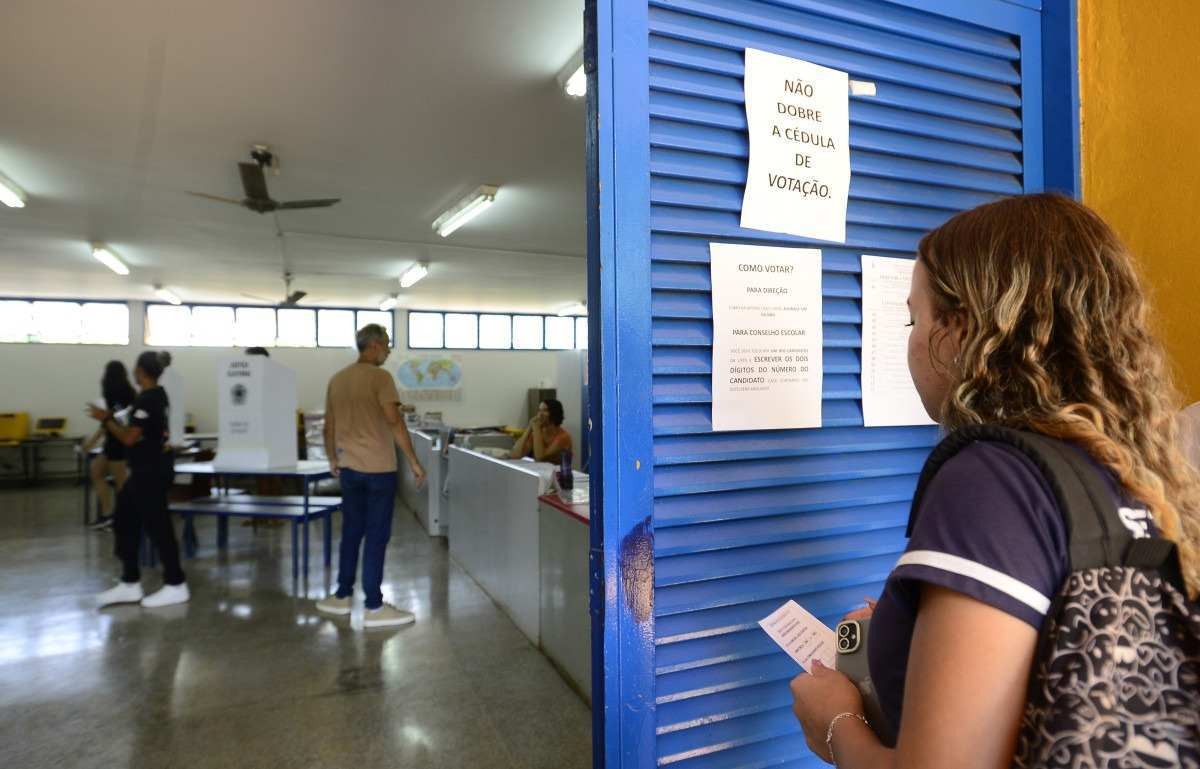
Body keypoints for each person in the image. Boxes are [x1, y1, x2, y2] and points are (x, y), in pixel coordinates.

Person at [788, 194, 1200, 767]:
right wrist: (913, 630)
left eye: (916, 317)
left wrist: (835, 723)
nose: (910, 340)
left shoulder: (992, 478)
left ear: (961, 330)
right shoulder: (1134, 468)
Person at [316, 324, 426, 628]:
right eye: (387, 344)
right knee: (377, 537)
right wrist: (415, 462)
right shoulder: (381, 378)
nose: (389, 350)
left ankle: (342, 596)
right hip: (378, 471)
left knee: (351, 532)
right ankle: (374, 607)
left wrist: (332, 458)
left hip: (349, 469)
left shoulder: (337, 379)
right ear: (375, 345)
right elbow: (394, 422)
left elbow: (328, 426)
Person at [90, 351, 189, 608]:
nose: (133, 372)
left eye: (135, 368)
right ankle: (129, 583)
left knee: (159, 527)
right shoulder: (154, 397)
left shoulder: (149, 398)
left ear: (141, 372)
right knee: (125, 522)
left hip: (151, 472)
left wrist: (107, 419)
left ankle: (176, 584)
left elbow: (129, 438)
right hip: (142, 472)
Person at [83, 361, 137, 530]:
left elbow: (111, 420)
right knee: (96, 473)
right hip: (112, 442)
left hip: (119, 443)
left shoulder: (120, 394)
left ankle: (123, 518)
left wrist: (92, 441)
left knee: (121, 484)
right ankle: (108, 514)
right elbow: (106, 421)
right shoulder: (125, 393)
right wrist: (92, 441)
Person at [509, 398, 572, 464]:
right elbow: (515, 455)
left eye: (545, 410)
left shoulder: (563, 437)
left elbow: (539, 457)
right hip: (540, 471)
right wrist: (529, 428)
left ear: (554, 413)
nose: (540, 414)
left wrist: (536, 428)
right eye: (539, 410)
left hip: (557, 472)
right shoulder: (537, 433)